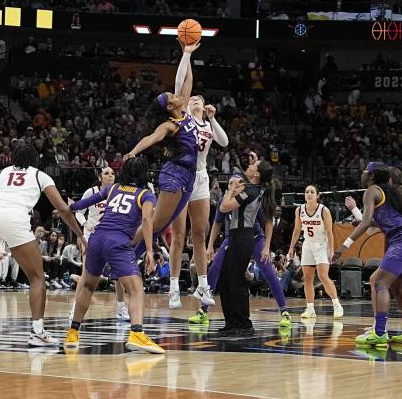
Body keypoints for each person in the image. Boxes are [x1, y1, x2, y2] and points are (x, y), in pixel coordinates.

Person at [0, 145, 84, 347]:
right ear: (35, 160)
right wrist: (80, 234)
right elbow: (63, 209)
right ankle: (37, 332)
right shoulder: (40, 175)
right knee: (37, 277)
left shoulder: (0, 173)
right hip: (16, 218)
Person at [65, 157, 164, 354]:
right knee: (136, 289)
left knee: (87, 285)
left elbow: (79, 205)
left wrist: (68, 207)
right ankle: (137, 333)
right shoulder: (147, 195)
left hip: (96, 238)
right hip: (118, 242)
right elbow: (146, 220)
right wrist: (150, 251)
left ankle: (72, 333)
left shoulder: (113, 188)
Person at [332, 162, 402, 348]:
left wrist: (343, 246)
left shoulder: (372, 190)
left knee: (381, 283)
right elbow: (383, 221)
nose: (363, 173)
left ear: (372, 176)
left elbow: (365, 223)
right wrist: (368, 223)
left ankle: (379, 333)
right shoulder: (388, 192)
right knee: (396, 287)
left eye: (366, 170)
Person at [123, 40, 200, 246]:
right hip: (175, 174)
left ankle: (132, 255)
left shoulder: (183, 110)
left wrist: (187, 54)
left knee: (161, 224)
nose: (175, 95)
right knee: (157, 224)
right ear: (168, 107)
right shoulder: (170, 125)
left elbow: (188, 80)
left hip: (188, 174)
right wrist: (133, 152)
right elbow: (151, 138)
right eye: (171, 96)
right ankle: (124, 248)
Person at [188, 177, 291, 329]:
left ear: (244, 186)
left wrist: (266, 246)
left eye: (238, 183)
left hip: (255, 238)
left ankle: (284, 312)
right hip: (232, 238)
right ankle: (203, 311)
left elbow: (268, 222)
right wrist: (210, 246)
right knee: (214, 270)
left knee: (268, 272)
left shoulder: (250, 198)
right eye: (230, 183)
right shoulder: (224, 200)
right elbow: (217, 223)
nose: (234, 186)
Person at [166, 93, 227, 309]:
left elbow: (224, 141)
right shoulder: (184, 120)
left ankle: (203, 285)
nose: (195, 101)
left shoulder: (208, 125)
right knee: (179, 235)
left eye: (198, 99)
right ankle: (173, 288)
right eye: (191, 99)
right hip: (182, 176)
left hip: (200, 178)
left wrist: (212, 118)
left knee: (199, 233)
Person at [216, 159, 277, 337]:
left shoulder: (250, 191)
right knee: (226, 281)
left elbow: (224, 206)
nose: (248, 167)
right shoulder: (250, 188)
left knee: (236, 281)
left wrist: (230, 189)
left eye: (252, 166)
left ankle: (244, 324)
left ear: (256, 174)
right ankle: (231, 322)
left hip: (243, 236)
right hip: (237, 236)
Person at [69, 166, 130, 322]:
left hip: (112, 236)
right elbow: (79, 211)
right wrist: (85, 225)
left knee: (118, 275)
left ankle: (121, 309)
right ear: (100, 176)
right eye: (106, 173)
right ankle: (75, 308)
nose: (110, 176)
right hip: (92, 236)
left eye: (113, 173)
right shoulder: (91, 192)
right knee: (86, 275)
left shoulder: (118, 192)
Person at [287, 184, 343, 320]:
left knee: (323, 275)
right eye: (307, 192)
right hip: (308, 245)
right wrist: (291, 247)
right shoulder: (299, 210)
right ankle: (310, 308)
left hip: (322, 245)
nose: (309, 194)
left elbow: (330, 232)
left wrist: (331, 250)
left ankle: (337, 305)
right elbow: (296, 230)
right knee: (307, 279)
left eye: (312, 192)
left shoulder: (324, 210)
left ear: (317, 195)